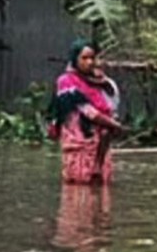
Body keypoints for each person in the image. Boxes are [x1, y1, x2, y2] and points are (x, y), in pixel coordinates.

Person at [47, 39, 125, 185]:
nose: (89, 62)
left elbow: (111, 104)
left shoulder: (97, 82)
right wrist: (114, 125)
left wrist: (103, 82)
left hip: (101, 146)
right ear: (74, 59)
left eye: (92, 58)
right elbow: (88, 111)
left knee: (101, 187)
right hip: (78, 145)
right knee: (78, 190)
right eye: (84, 58)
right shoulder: (66, 81)